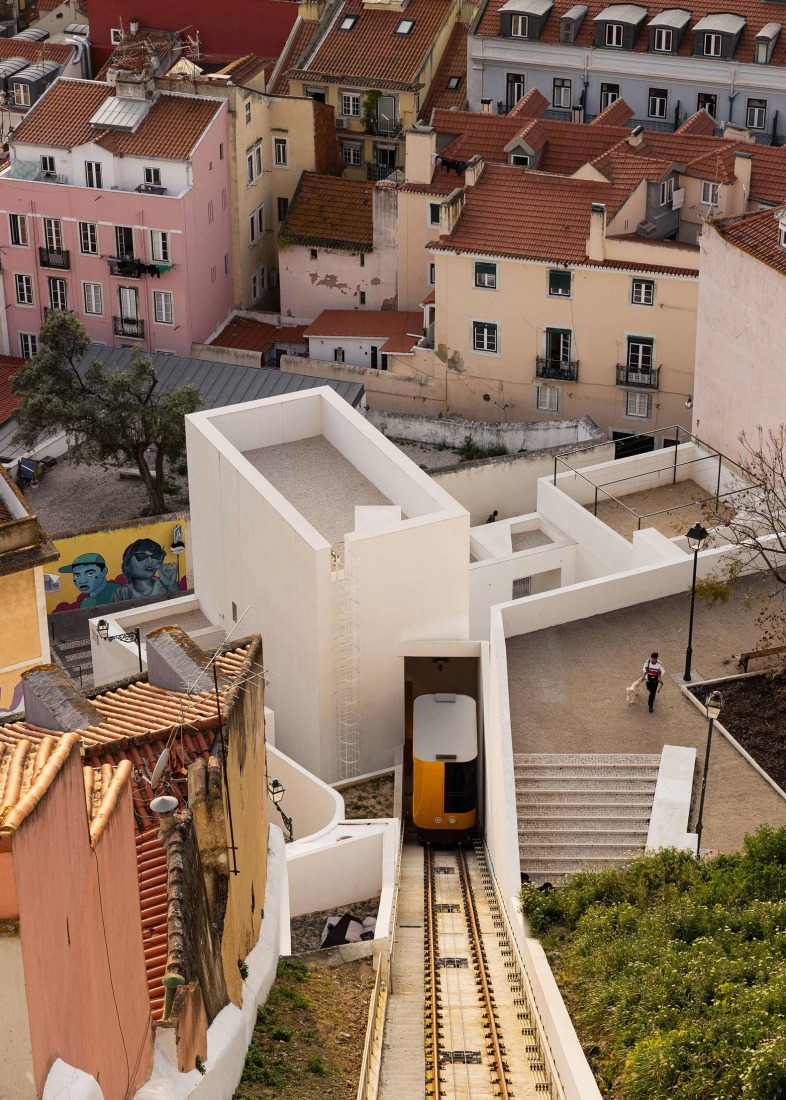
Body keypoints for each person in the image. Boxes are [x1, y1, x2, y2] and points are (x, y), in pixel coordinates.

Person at [111, 539, 179, 602]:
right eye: (142, 556)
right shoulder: (122, 593)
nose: (150, 561)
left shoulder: (164, 586)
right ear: (127, 566)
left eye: (155, 556)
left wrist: (171, 586)